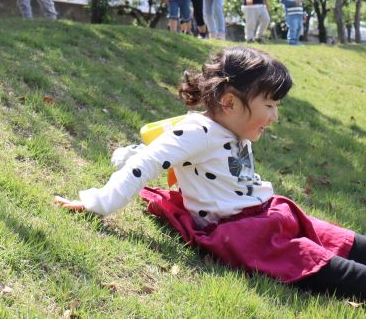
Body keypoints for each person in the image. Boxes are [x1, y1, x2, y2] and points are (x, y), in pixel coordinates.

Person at [54, 46, 365, 301]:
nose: (274, 117)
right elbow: (146, 164)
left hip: (271, 213)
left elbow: (155, 146)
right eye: (269, 106)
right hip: (246, 233)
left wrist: (131, 152)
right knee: (341, 272)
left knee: (343, 239)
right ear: (229, 102)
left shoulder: (228, 124)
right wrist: (98, 202)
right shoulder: (198, 132)